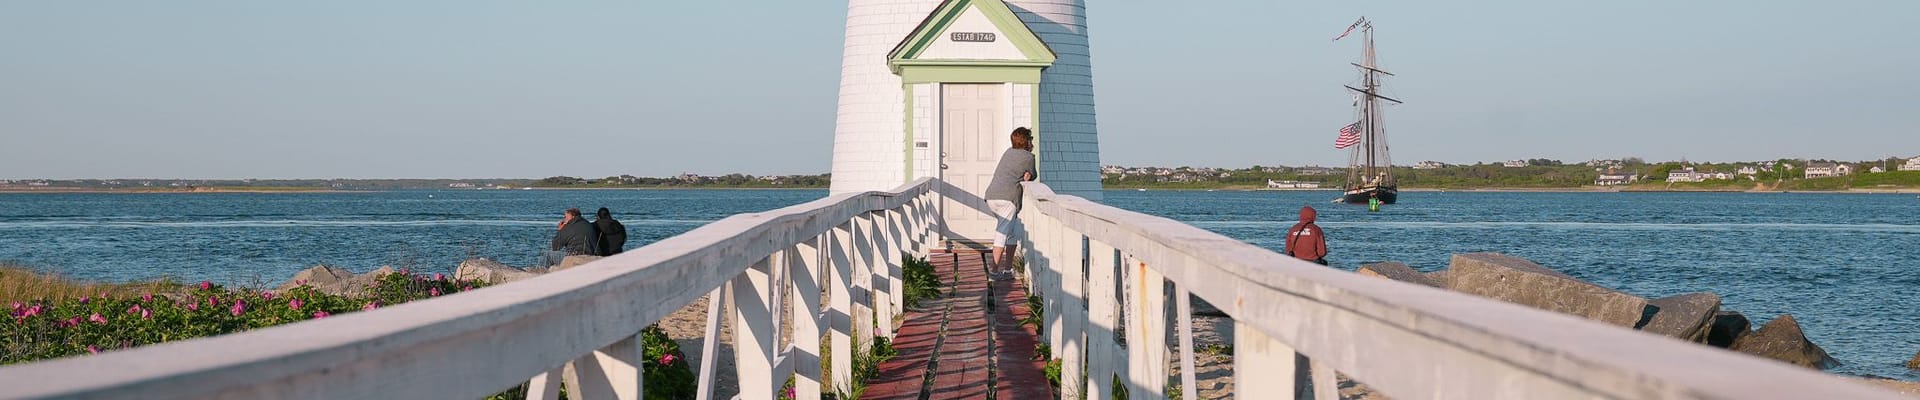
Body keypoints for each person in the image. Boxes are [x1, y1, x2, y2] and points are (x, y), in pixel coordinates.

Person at [983, 127, 1037, 279]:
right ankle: (993, 271)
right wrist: (1028, 176)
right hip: (1007, 199)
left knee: (1011, 232)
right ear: (1026, 141)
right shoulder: (1029, 157)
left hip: (991, 196)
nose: (1032, 142)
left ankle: (1008, 269)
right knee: (1001, 233)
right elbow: (1032, 175)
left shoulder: (1008, 152)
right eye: (1030, 139)